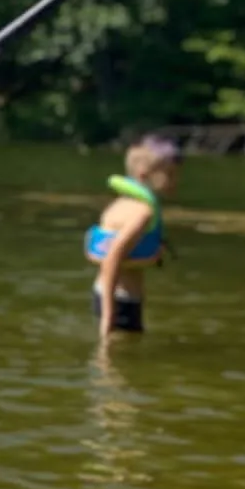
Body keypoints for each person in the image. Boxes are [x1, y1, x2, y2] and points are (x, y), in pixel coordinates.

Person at [85, 136, 180, 340]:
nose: (175, 181)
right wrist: (109, 317)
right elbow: (112, 258)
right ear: (144, 174)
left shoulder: (118, 205)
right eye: (169, 174)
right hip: (121, 300)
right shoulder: (142, 213)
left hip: (104, 293)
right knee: (119, 352)